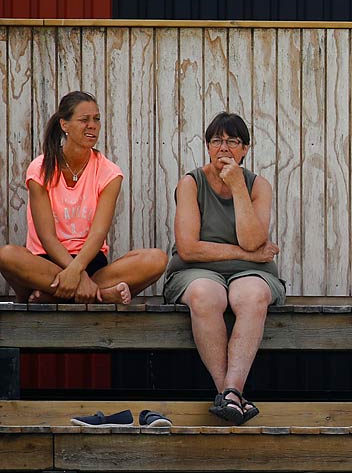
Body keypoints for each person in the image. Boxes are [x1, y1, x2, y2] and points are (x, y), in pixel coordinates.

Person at [163, 112, 285, 425]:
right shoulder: (191, 183)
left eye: (233, 141)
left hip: (250, 274)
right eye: (217, 141)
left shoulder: (259, 186)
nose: (224, 148)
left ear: (245, 149)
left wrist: (238, 187)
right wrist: (249, 256)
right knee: (206, 295)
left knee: (253, 294)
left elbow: (253, 238)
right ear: (207, 146)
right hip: (196, 270)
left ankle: (231, 391)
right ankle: (228, 394)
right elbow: (189, 248)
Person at [0, 91, 167, 303]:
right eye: (84, 120)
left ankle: (53, 296)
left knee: (156, 259)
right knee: (6, 255)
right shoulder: (40, 168)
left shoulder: (109, 172)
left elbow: (98, 233)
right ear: (64, 125)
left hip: (90, 262)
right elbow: (46, 236)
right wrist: (75, 275)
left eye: (96, 119)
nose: (93, 125)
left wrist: (78, 271)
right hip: (46, 262)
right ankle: (99, 296)